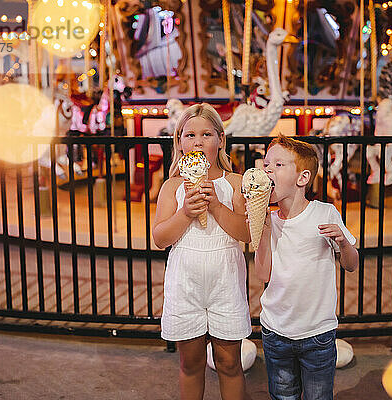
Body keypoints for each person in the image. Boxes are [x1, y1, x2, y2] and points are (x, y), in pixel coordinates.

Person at [152, 103, 252, 400]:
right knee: (191, 363)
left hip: (226, 282)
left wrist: (217, 207)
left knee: (229, 362)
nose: (198, 141)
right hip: (186, 283)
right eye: (190, 135)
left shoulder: (235, 183)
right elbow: (160, 238)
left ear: (220, 139)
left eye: (207, 134)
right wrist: (185, 213)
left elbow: (247, 234)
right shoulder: (173, 187)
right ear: (180, 142)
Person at [251, 134, 359, 399]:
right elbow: (262, 274)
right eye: (266, 165)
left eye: (278, 165)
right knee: (283, 395)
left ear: (302, 178)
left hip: (317, 333)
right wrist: (261, 228)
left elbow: (351, 264)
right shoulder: (267, 220)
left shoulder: (325, 212)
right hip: (275, 331)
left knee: (318, 396)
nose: (267, 170)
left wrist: (343, 242)